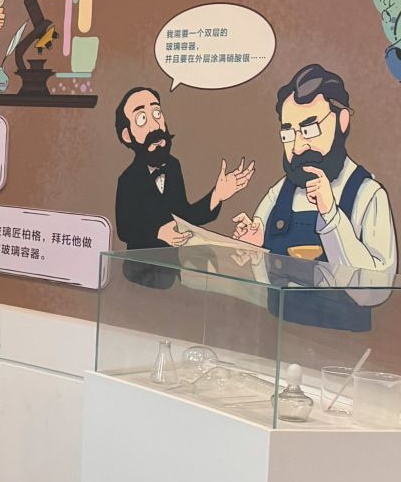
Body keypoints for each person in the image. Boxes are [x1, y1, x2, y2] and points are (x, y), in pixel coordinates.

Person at [230, 63, 395, 331]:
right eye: (288, 134)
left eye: (309, 130)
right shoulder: (279, 192)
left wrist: (332, 217)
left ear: (342, 121)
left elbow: (376, 292)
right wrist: (253, 252)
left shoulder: (368, 193)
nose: (297, 146)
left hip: (344, 342)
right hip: (279, 332)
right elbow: (261, 278)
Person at [111, 85, 254, 287]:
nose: (154, 125)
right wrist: (158, 233)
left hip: (173, 275)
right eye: (142, 118)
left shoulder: (172, 166)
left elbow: (185, 216)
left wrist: (217, 195)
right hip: (140, 275)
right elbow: (125, 230)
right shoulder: (128, 179)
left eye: (157, 113)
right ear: (127, 135)